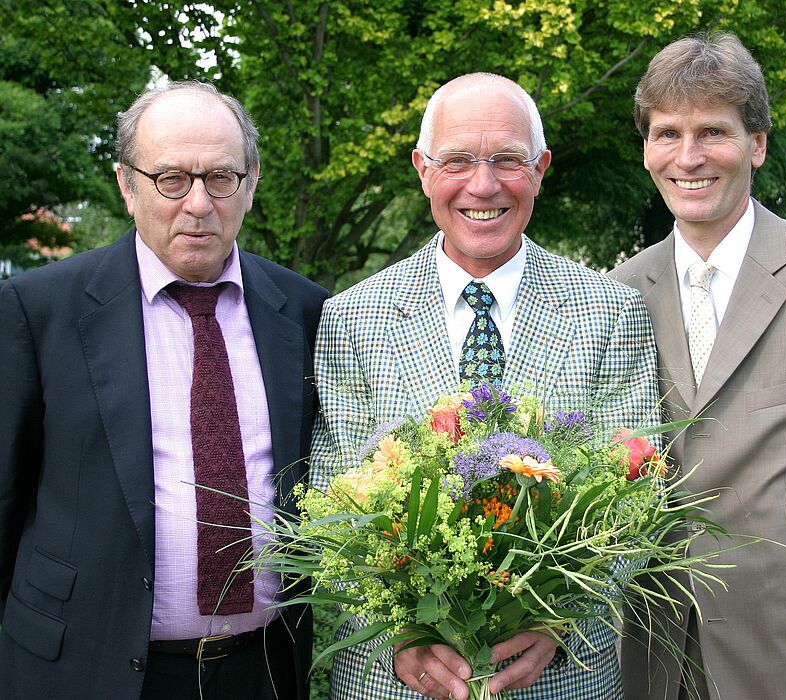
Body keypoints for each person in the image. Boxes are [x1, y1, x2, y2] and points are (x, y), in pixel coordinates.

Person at [310, 72, 660, 700]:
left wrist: (560, 621)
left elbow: (641, 499)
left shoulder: (612, 311)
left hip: (562, 680)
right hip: (395, 683)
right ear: (422, 171)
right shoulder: (352, 318)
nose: (483, 184)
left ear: (541, 169)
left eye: (507, 160)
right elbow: (328, 504)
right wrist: (401, 632)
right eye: (457, 161)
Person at [0, 81, 328, 700]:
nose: (198, 204)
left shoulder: (307, 311)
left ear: (251, 183)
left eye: (220, 178)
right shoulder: (37, 311)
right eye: (171, 179)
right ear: (127, 186)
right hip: (83, 668)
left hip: (264, 669)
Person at [609, 32, 786, 700]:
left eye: (712, 131)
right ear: (647, 149)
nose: (688, 157)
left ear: (757, 144)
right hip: (659, 662)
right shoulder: (618, 296)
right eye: (667, 133)